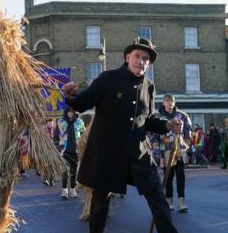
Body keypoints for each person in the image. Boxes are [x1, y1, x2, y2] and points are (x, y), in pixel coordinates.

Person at [62, 37, 181, 233]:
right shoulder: (108, 78)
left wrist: (167, 125)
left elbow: (148, 119)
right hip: (108, 152)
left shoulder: (149, 87)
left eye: (145, 58)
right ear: (127, 57)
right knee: (100, 200)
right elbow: (83, 102)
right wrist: (70, 95)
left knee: (157, 195)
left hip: (139, 153)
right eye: (136, 56)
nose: (140, 61)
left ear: (149, 64)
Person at [157, 94, 191, 212]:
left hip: (179, 149)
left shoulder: (182, 115)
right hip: (164, 150)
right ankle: (169, 199)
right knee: (168, 176)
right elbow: (153, 134)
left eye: (172, 101)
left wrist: (186, 145)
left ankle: (181, 200)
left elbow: (188, 132)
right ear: (163, 103)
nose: (170, 103)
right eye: (167, 101)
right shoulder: (158, 116)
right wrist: (156, 151)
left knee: (180, 175)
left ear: (175, 102)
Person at [58, 107, 84, 199]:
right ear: (66, 112)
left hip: (76, 150)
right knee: (65, 170)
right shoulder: (61, 122)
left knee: (74, 171)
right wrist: (58, 147)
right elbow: (57, 135)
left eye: (72, 112)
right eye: (69, 112)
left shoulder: (79, 122)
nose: (71, 113)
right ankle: (64, 190)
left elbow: (83, 134)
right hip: (65, 150)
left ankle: (72, 189)